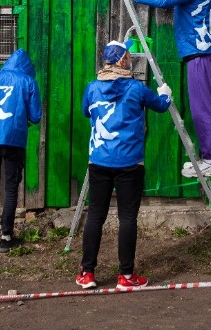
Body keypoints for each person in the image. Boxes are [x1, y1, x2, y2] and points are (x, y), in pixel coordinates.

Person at [75, 40, 172, 290]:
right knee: (127, 217)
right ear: (121, 60)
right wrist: (165, 94)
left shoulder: (92, 88)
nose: (131, 58)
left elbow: (87, 113)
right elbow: (161, 106)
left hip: (99, 161)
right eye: (128, 55)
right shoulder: (136, 88)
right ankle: (126, 277)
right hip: (129, 162)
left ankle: (87, 273)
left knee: (95, 215)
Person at [117, 0, 211, 178]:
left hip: (200, 53)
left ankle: (210, 160)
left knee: (202, 108)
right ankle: (208, 158)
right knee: (202, 106)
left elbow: (166, 1)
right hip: (202, 53)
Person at [0, 48, 43, 251]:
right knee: (11, 187)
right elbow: (36, 115)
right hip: (15, 140)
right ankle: (6, 237)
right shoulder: (28, 82)